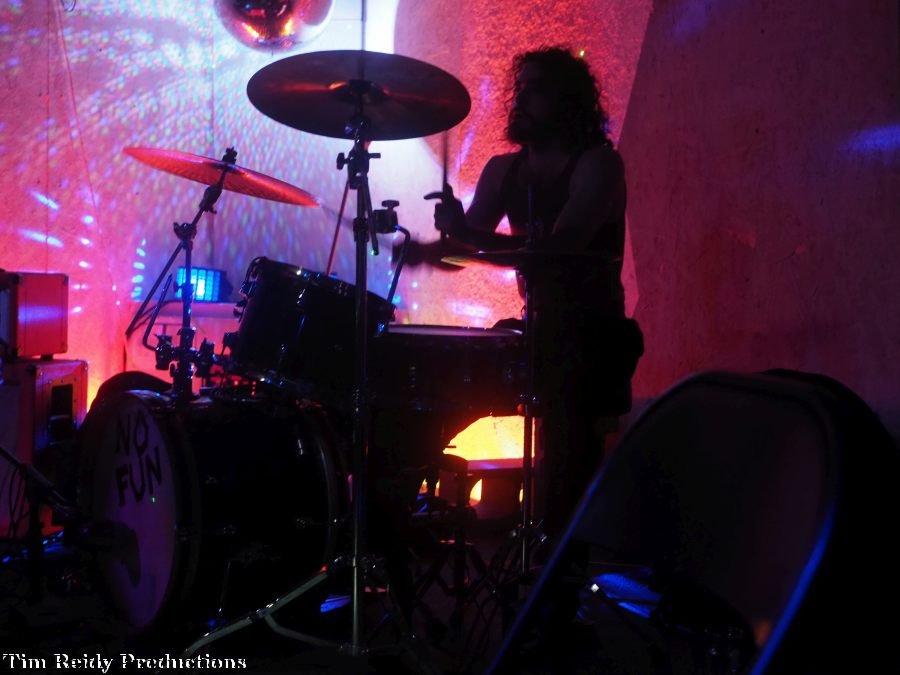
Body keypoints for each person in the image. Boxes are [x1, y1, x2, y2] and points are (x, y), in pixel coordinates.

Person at [425, 46, 643, 555]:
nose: (520, 99)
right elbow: (471, 247)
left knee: (566, 449)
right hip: (538, 327)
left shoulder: (599, 165)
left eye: (536, 89)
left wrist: (462, 238)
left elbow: (560, 250)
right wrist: (434, 246)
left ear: (568, 101)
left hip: (592, 336)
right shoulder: (504, 170)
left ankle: (559, 561)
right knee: (438, 378)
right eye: (518, 88)